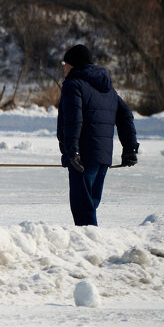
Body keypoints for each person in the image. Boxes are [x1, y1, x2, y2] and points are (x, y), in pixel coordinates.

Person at [57, 43, 139, 227]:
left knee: (83, 210)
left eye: (66, 63)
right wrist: (130, 148)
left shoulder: (73, 85)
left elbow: (73, 120)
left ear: (74, 64)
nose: (64, 67)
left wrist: (72, 152)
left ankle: (91, 249)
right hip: (102, 157)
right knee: (89, 206)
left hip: (83, 158)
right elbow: (125, 115)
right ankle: (93, 245)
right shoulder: (107, 88)